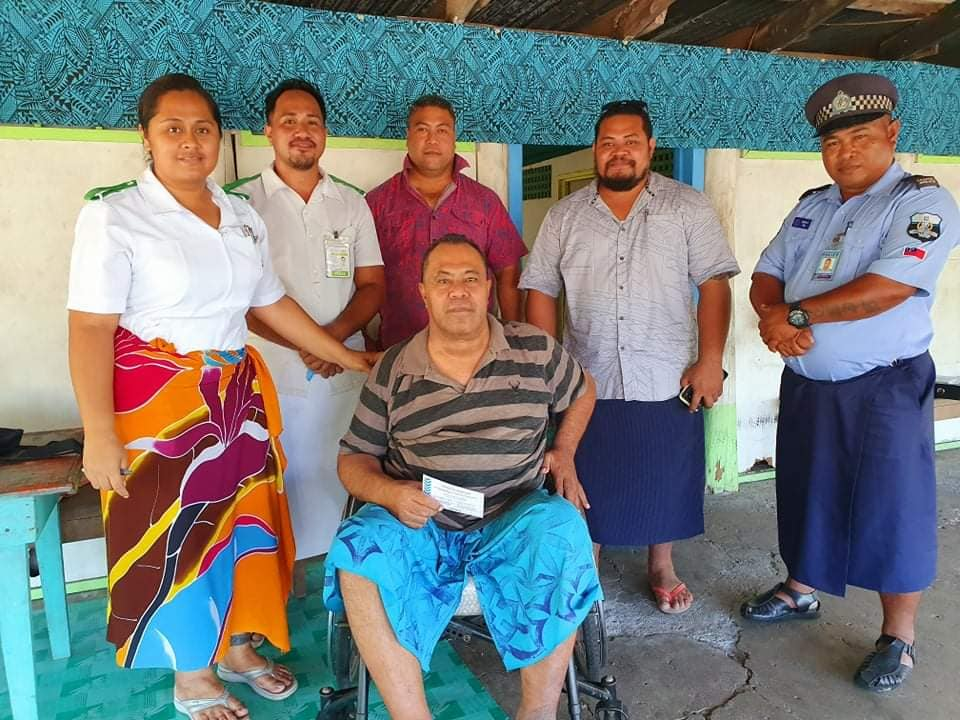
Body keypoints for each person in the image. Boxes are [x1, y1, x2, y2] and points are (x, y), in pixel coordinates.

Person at [66, 73, 376, 720]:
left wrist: (348, 355)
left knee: (238, 526)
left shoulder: (238, 215)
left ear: (219, 136)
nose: (190, 141)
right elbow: (91, 327)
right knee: (178, 536)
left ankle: (236, 647)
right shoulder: (115, 215)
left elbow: (269, 302)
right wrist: (98, 431)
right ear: (146, 137)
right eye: (173, 128)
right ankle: (193, 674)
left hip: (235, 398)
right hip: (158, 407)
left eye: (202, 129)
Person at [740, 73, 959, 693]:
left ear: (892, 133)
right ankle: (801, 588)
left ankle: (899, 637)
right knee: (806, 491)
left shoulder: (921, 204)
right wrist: (772, 316)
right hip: (808, 383)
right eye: (833, 142)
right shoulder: (812, 203)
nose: (846, 152)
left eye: (860, 137)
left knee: (894, 507)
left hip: (884, 385)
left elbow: (890, 288)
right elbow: (766, 272)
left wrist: (795, 317)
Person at [322, 235, 601, 720]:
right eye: (443, 280)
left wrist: (565, 450)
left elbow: (582, 390)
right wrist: (391, 493)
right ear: (423, 293)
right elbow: (354, 458)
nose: (458, 291)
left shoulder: (533, 349)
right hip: (421, 526)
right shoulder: (393, 368)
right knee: (358, 545)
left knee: (563, 528)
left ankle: (537, 714)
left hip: (514, 518)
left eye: (471, 278)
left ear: (489, 287)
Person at [522, 100, 739, 614]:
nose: (619, 152)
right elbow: (540, 289)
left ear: (650, 147)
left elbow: (714, 284)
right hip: (588, 373)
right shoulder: (565, 216)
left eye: (630, 142)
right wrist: (547, 367)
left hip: (667, 372)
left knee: (665, 476)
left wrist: (711, 361)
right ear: (595, 150)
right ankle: (588, 562)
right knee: (587, 475)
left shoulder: (688, 207)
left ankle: (661, 565)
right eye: (608, 143)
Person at [227, 79, 385, 561]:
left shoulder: (351, 202)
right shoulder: (239, 204)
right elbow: (239, 300)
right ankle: (283, 582)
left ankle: (349, 581)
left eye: (312, 122)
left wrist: (329, 340)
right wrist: (306, 345)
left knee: (345, 483)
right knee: (276, 487)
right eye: (289, 121)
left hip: (344, 377)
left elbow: (373, 284)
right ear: (268, 131)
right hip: (271, 375)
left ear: (325, 133)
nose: (302, 131)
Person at [365, 94, 527, 348]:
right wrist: (363, 340)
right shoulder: (377, 203)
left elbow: (509, 274)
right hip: (400, 348)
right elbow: (360, 279)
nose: (432, 139)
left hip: (475, 351)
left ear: (454, 138)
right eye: (422, 129)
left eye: (442, 130)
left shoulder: (485, 201)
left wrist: (513, 341)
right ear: (408, 136)